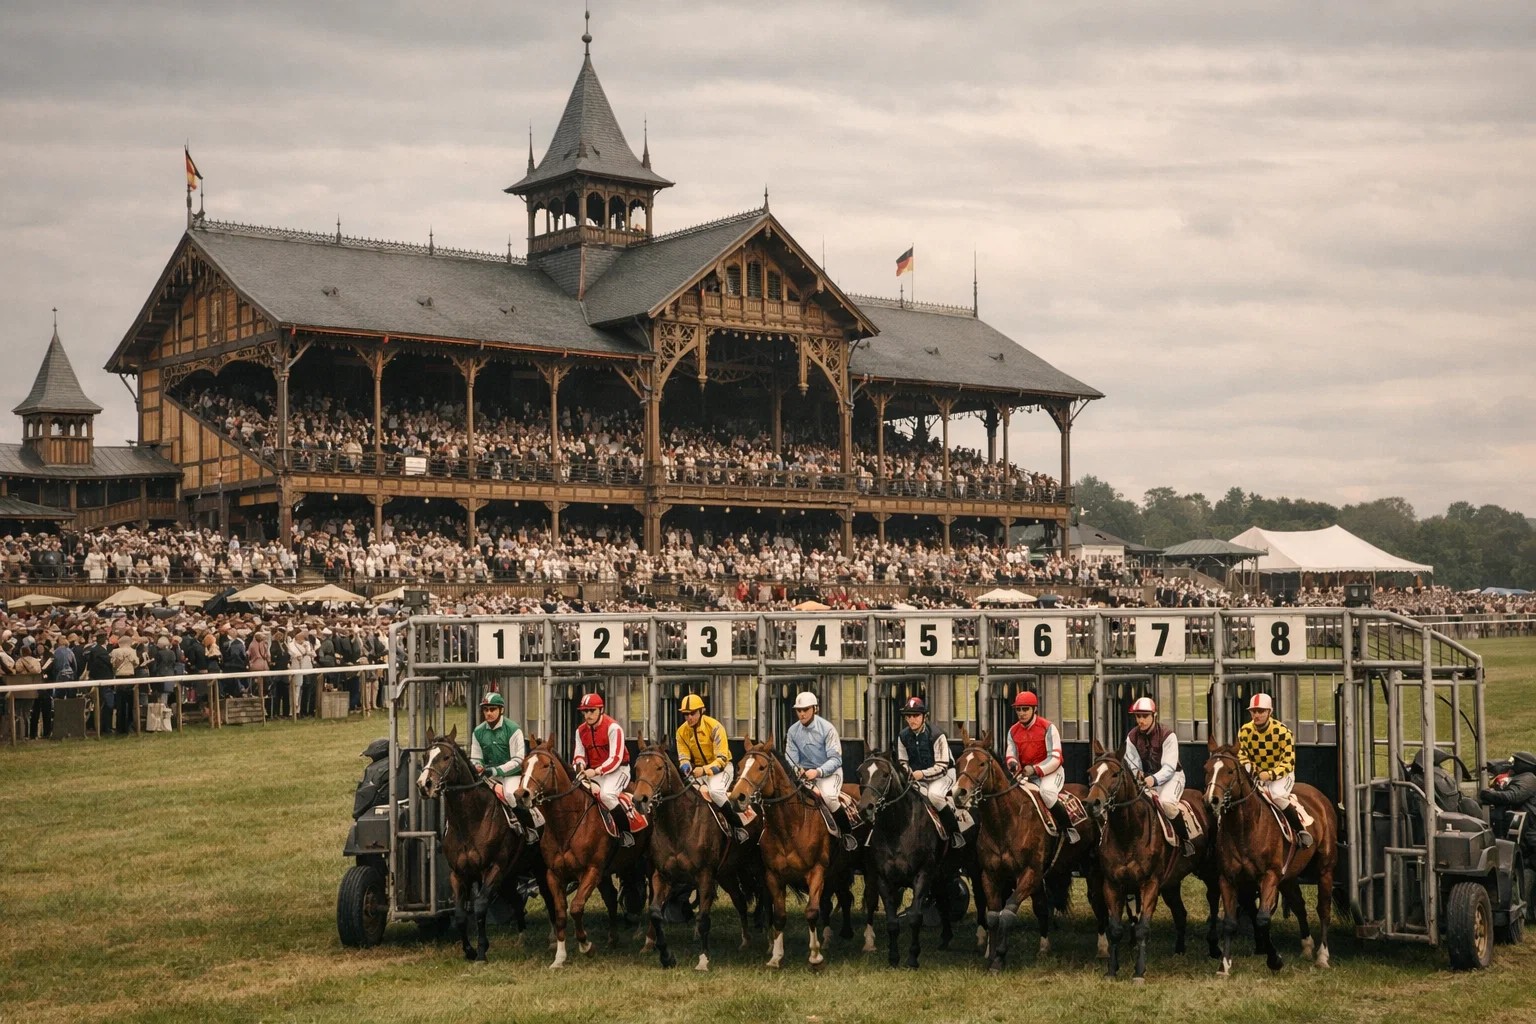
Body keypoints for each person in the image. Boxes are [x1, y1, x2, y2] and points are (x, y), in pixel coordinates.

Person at [1236, 693, 1313, 848]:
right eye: (1253, 711)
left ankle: (1300, 830)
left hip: (1282, 774)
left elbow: (1288, 761)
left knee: (1276, 796)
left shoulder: (1283, 732)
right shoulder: (1244, 731)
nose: (1256, 715)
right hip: (1257, 774)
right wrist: (1251, 769)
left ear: (1270, 712)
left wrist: (1270, 774)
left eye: (1261, 711)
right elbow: (1242, 754)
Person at [784, 690, 857, 851]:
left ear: (815, 709)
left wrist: (817, 772)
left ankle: (847, 834)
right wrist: (797, 769)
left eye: (805, 709)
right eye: (799, 710)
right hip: (804, 775)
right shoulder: (792, 731)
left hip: (829, 774)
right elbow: (790, 758)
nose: (802, 714)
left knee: (829, 798)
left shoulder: (828, 729)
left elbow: (836, 760)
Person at [1123, 696, 1194, 855]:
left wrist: (1153, 779)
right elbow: (1133, 763)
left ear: (1154, 715)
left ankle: (1185, 841)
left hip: (1172, 777)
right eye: (1138, 716)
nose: (1141, 720)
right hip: (1147, 780)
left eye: (1145, 716)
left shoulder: (1168, 735)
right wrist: (1138, 774)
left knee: (1166, 803)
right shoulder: (1131, 737)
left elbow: (1169, 767)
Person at [571, 692, 644, 846]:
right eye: (585, 711)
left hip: (619, 770)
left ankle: (625, 833)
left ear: (601, 710)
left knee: (606, 795)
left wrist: (595, 771)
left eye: (592, 711)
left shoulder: (613, 728)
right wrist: (580, 767)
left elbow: (615, 758)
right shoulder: (580, 731)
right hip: (594, 771)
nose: (588, 715)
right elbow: (579, 755)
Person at [1005, 690, 1078, 842]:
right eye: (1018, 709)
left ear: (1034, 709)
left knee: (1047, 793)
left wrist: (1035, 769)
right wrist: (1013, 764)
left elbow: (1055, 757)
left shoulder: (1048, 727)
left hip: (1051, 772)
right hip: (1025, 775)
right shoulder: (1012, 731)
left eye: (1025, 709)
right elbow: (1011, 754)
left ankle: (1068, 829)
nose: (1021, 713)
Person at [893, 695, 966, 848]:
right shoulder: (902, 737)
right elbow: (902, 761)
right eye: (908, 716)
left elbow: (942, 766)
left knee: (933, 795)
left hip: (944, 774)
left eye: (916, 716)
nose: (912, 720)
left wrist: (921, 774)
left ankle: (955, 833)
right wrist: (909, 773)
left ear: (924, 716)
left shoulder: (937, 735)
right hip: (917, 776)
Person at [674, 693, 747, 841]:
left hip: (722, 769)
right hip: (698, 771)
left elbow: (722, 759)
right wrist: (686, 768)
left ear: (702, 711)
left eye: (692, 713)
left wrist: (703, 770)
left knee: (715, 792)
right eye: (686, 714)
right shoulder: (681, 732)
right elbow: (683, 757)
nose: (689, 718)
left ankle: (737, 826)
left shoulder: (715, 727)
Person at [470, 692, 526, 802]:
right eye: (486, 710)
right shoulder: (477, 731)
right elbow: (476, 758)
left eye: (492, 709)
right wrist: (478, 766)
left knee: (510, 795)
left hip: (512, 776)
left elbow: (518, 761)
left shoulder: (514, 729)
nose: (488, 713)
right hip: (489, 775)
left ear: (502, 710)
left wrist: (495, 770)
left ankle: (526, 813)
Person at [1480, 751, 1536, 861]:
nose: (1513, 765)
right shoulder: (1522, 777)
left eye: (1516, 762)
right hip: (1521, 826)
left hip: (1527, 828)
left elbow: (1512, 796)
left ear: (1524, 764)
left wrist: (1490, 794)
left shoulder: (1528, 778)